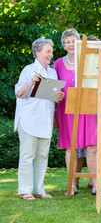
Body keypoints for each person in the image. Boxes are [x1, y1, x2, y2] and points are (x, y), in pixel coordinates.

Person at [53, 29, 101, 197]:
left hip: (89, 108)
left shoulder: (89, 60)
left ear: (79, 43)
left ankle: (95, 185)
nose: (71, 44)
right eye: (67, 41)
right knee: (71, 147)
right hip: (67, 109)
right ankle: (72, 185)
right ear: (63, 45)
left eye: (74, 41)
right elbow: (53, 89)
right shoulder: (58, 64)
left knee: (92, 146)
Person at [15, 38, 64, 200]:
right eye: (47, 51)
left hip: (45, 120)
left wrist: (59, 96)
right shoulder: (28, 70)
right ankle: (25, 190)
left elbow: (54, 97)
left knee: (42, 156)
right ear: (37, 53)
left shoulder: (52, 72)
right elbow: (19, 94)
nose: (51, 54)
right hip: (29, 119)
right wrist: (31, 83)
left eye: (51, 51)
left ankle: (39, 189)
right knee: (28, 155)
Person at [75, 35, 101, 189]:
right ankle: (74, 182)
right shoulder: (79, 64)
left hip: (99, 110)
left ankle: (93, 181)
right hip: (82, 109)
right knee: (79, 147)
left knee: (97, 147)